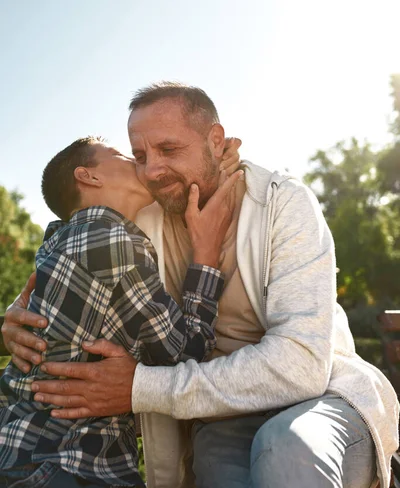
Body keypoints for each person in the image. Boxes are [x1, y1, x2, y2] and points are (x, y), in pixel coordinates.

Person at [3, 82, 399, 488]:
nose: (152, 170)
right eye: (139, 156)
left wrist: (141, 387)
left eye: (169, 150)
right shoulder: (138, 218)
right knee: (215, 467)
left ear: (216, 140)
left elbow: (301, 365)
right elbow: (68, 263)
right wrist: (15, 321)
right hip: (220, 416)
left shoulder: (283, 203)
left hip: (321, 400)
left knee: (286, 449)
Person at [0, 135, 243, 487]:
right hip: (67, 466)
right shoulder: (113, 240)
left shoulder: (62, 239)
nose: (137, 162)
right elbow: (185, 353)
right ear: (89, 177)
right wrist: (205, 256)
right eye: (121, 156)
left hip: (20, 451)